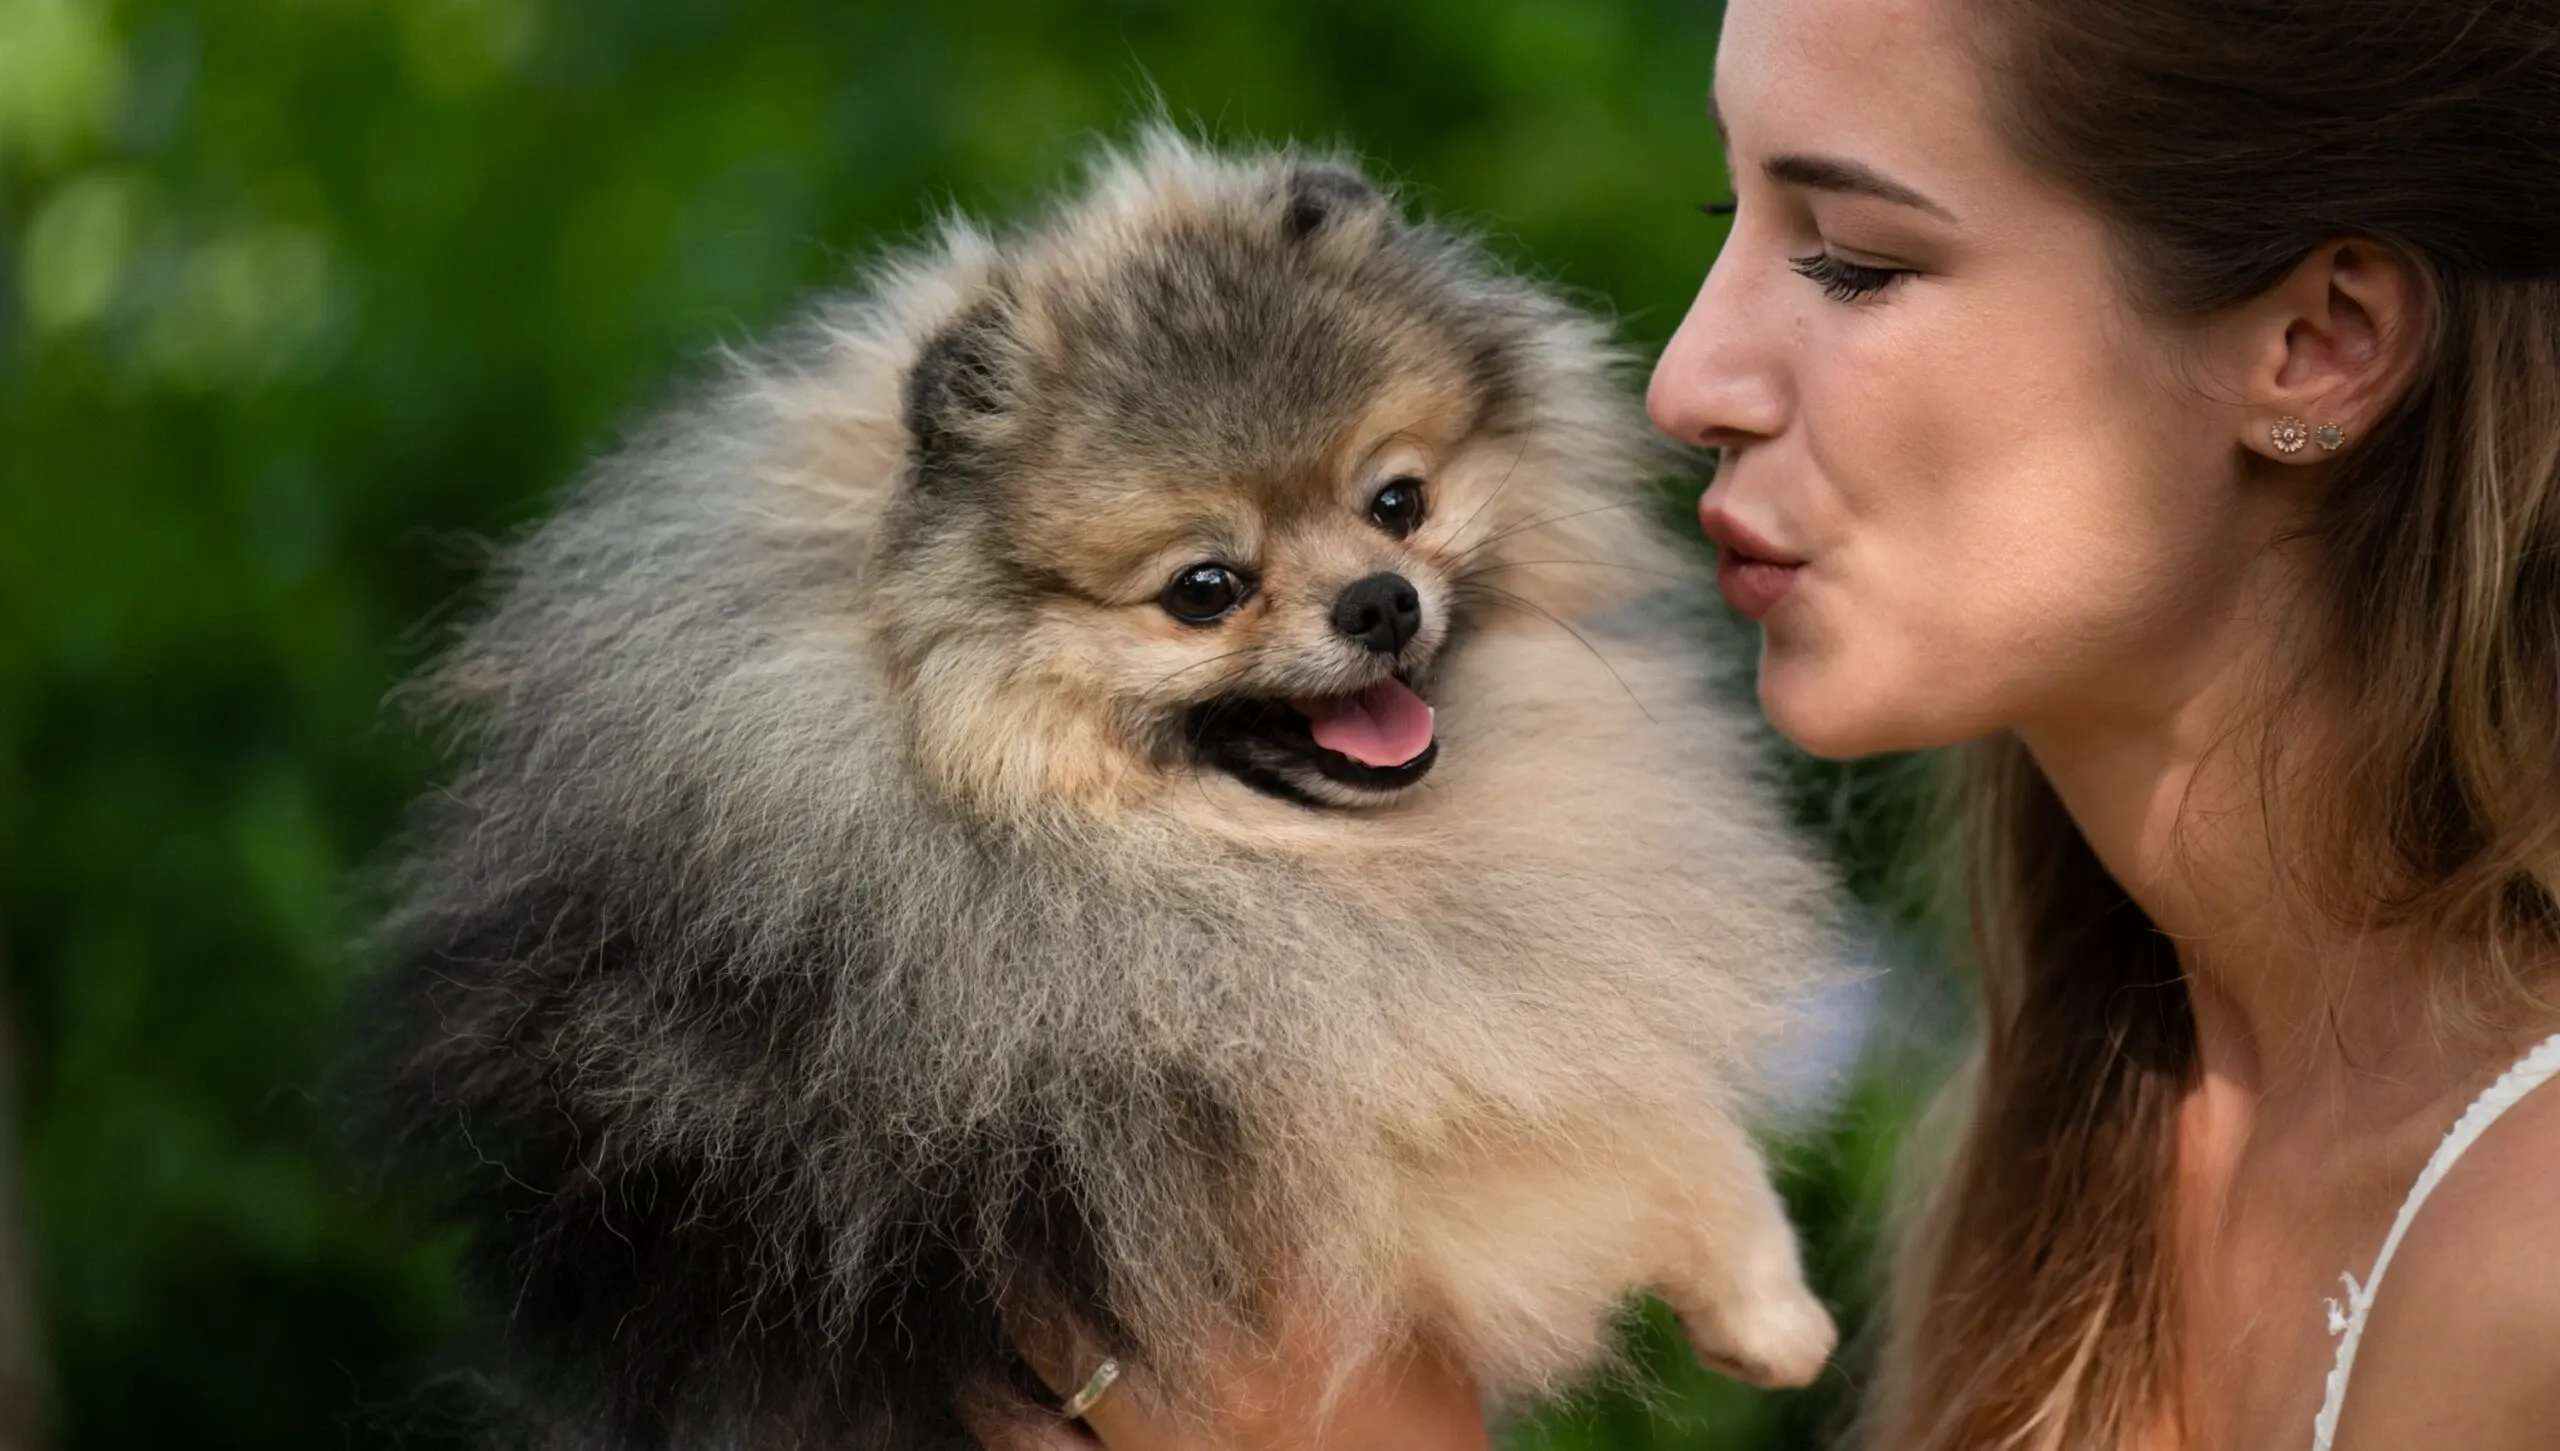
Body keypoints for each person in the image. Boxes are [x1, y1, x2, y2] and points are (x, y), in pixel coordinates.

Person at [973, 0, 2560, 1445]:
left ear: (2316, 343)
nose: (1686, 380)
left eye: (1858, 259)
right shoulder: (2105, 1088)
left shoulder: (2526, 1250)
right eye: (1727, 220)